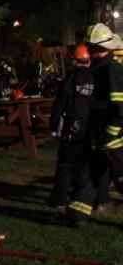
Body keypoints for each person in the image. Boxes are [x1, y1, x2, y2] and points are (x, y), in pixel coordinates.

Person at [66, 24, 123, 228]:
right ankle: (78, 216)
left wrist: (110, 135)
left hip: (114, 136)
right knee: (87, 174)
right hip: (98, 134)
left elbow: (118, 107)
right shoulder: (99, 70)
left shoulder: (111, 70)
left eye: (89, 47)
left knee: (121, 177)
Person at [49, 44, 94, 209]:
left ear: (74, 61)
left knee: (65, 164)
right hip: (91, 128)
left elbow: (59, 105)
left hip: (72, 128)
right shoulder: (96, 78)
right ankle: (90, 200)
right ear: (89, 61)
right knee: (87, 166)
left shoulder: (68, 80)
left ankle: (59, 200)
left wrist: (54, 126)